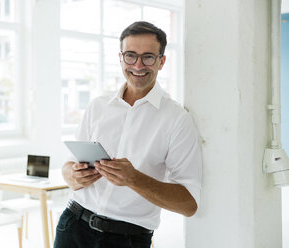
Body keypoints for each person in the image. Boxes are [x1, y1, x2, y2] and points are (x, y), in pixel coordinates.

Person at [54, 21, 202, 248]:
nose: (138, 65)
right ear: (121, 58)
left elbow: (188, 205)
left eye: (148, 57)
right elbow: (69, 166)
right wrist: (73, 176)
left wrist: (134, 179)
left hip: (128, 238)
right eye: (131, 56)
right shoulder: (97, 106)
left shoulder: (177, 119)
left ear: (162, 61)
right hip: (73, 225)